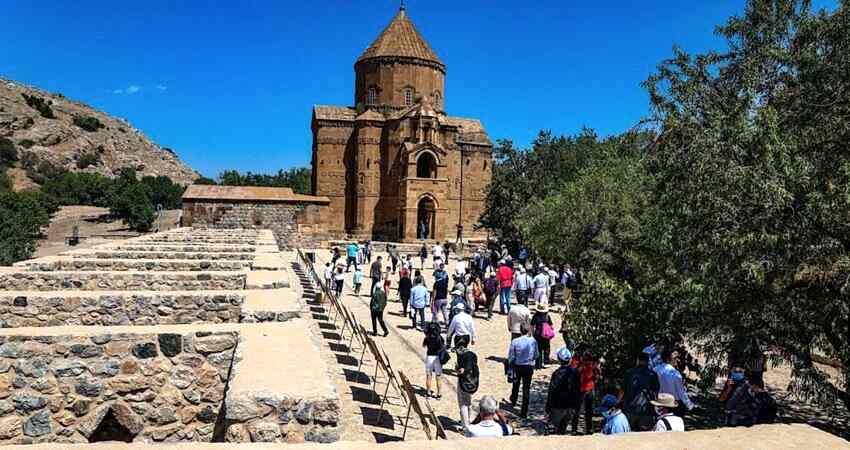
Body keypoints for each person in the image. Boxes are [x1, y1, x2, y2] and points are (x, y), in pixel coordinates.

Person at [546, 347, 581, 434]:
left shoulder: (556, 374)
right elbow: (578, 389)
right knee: (563, 428)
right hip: (570, 406)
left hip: (558, 406)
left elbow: (551, 391)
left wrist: (548, 406)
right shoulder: (575, 372)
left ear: (559, 359)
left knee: (555, 430)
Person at [623, 352, 661, 431]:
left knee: (629, 434)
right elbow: (656, 393)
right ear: (648, 361)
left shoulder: (629, 373)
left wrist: (617, 402)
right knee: (646, 435)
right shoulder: (653, 374)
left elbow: (622, 390)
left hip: (630, 409)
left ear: (638, 360)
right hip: (647, 410)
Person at [508, 325, 537, 419]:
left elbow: (511, 355)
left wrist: (510, 364)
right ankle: (524, 411)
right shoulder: (533, 341)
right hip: (528, 366)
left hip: (518, 365)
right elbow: (536, 354)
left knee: (515, 384)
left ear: (520, 330)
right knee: (526, 388)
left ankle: (513, 401)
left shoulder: (515, 341)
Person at [656, 349, 695, 418]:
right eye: (675, 358)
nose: (677, 360)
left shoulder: (655, 369)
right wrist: (690, 406)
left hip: (659, 402)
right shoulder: (675, 373)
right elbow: (681, 392)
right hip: (673, 405)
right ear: (668, 360)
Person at [572, 349, 600, 435]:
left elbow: (575, 374)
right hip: (588, 389)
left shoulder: (581, 364)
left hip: (583, 389)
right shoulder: (590, 364)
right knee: (587, 410)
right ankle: (587, 429)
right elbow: (597, 376)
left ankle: (578, 429)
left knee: (580, 410)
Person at [455, 335, 479, 431]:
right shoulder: (473, 355)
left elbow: (461, 370)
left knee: (463, 404)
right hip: (473, 381)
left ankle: (465, 426)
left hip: (463, 381)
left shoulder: (461, 355)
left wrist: (457, 371)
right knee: (468, 402)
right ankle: (467, 421)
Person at [423, 321, 445, 399]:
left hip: (429, 357)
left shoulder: (427, 338)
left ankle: (428, 393)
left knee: (429, 376)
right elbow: (443, 346)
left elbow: (424, 345)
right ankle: (439, 394)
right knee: (438, 376)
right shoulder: (440, 338)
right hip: (437, 358)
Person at [531, 301, 554, 369]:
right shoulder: (547, 316)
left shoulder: (535, 316)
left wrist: (532, 333)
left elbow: (532, 325)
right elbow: (551, 325)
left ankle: (538, 364)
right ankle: (546, 362)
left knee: (538, 349)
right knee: (546, 347)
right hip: (546, 335)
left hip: (538, 334)